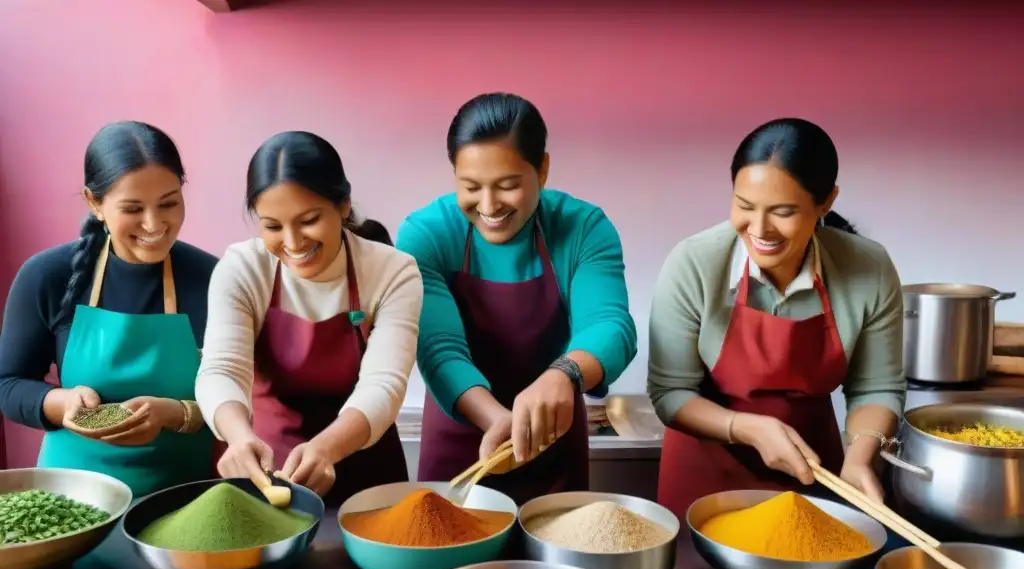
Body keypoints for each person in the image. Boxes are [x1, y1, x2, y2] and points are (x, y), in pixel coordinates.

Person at [648, 117, 905, 517]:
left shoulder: (868, 268)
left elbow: (877, 387)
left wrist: (859, 457)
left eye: (783, 212)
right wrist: (748, 428)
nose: (760, 229)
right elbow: (670, 392)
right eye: (744, 206)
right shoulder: (695, 263)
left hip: (811, 471)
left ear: (826, 201)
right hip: (703, 478)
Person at [397, 93, 637, 504]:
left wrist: (564, 373)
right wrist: (496, 419)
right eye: (470, 187)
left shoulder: (583, 228)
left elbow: (611, 327)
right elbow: (439, 349)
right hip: (460, 447)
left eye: (508, 186)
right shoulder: (426, 235)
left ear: (542, 170)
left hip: (554, 446)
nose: (489, 206)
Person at [196, 131, 422, 508]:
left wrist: (327, 449)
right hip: (264, 471)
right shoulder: (241, 268)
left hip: (366, 473)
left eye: (309, 220)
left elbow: (384, 386)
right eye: (272, 226)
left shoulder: (392, 272)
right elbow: (221, 369)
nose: (293, 242)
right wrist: (238, 438)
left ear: (344, 204)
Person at [0, 121, 217, 498]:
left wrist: (173, 414)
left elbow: (245, 397)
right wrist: (61, 403)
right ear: (94, 202)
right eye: (133, 208)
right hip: (74, 499)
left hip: (186, 498)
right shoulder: (46, 276)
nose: (154, 224)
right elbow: (8, 384)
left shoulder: (214, 278)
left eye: (168, 203)